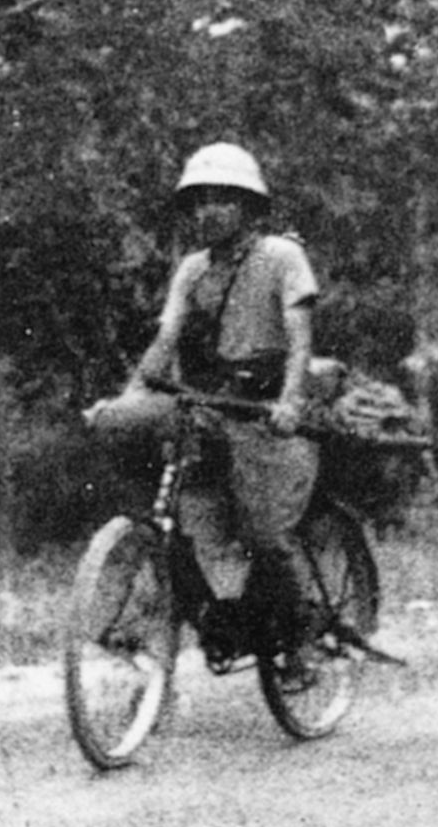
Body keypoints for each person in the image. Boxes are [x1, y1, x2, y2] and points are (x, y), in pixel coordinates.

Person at [91, 143, 323, 664]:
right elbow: (166, 340)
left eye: (221, 199)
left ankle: (301, 630)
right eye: (198, 202)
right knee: (165, 501)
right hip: (209, 406)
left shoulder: (282, 257)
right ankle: (186, 612)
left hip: (263, 414)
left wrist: (290, 402)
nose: (207, 212)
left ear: (248, 207)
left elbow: (299, 336)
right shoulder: (192, 269)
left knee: (265, 534)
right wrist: (129, 398)